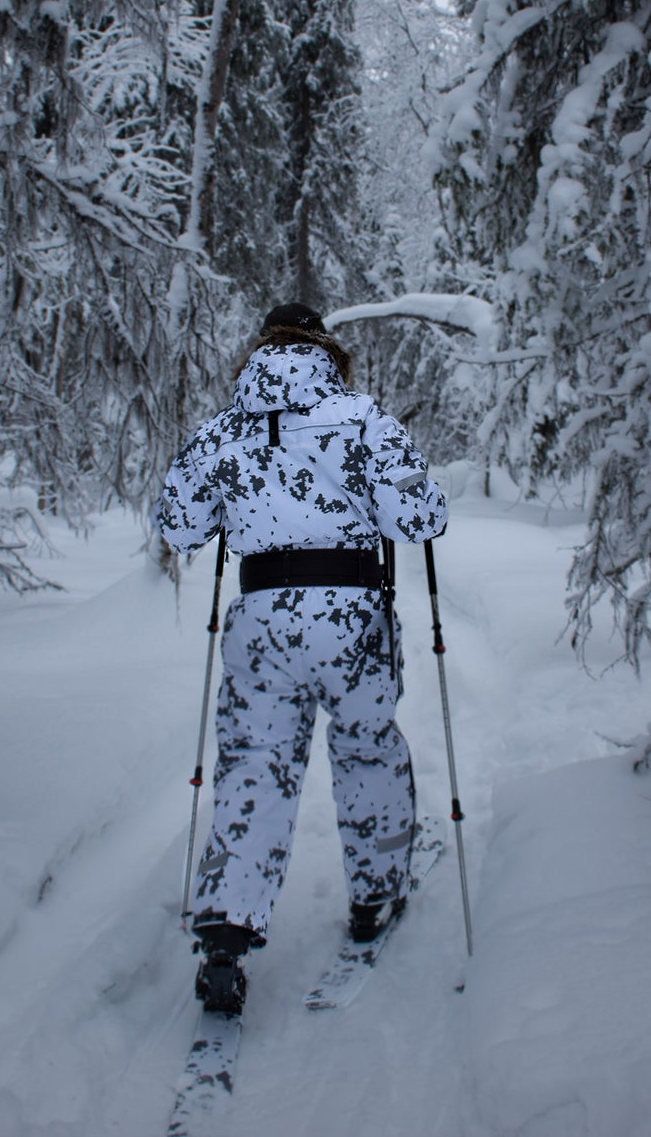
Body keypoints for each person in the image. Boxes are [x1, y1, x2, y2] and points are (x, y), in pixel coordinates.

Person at [155, 303, 448, 1014]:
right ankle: (374, 896)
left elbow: (177, 522)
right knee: (365, 748)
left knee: (256, 763)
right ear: (327, 352)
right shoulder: (361, 418)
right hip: (351, 616)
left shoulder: (224, 429)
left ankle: (227, 928)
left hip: (262, 619)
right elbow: (421, 518)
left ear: (257, 352)